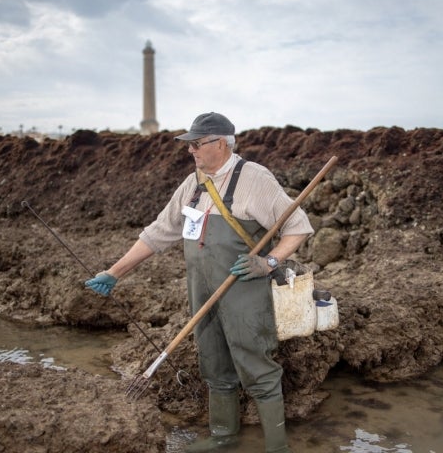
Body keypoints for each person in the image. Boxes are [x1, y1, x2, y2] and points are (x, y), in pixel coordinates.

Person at [85, 112, 313, 453]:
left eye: (196, 144)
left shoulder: (254, 179)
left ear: (220, 143)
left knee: (256, 366)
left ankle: (277, 447)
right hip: (202, 289)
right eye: (189, 145)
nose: (190, 151)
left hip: (244, 291)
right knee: (214, 364)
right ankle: (224, 438)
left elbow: (297, 226)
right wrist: (114, 272)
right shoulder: (193, 184)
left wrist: (268, 262)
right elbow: (158, 233)